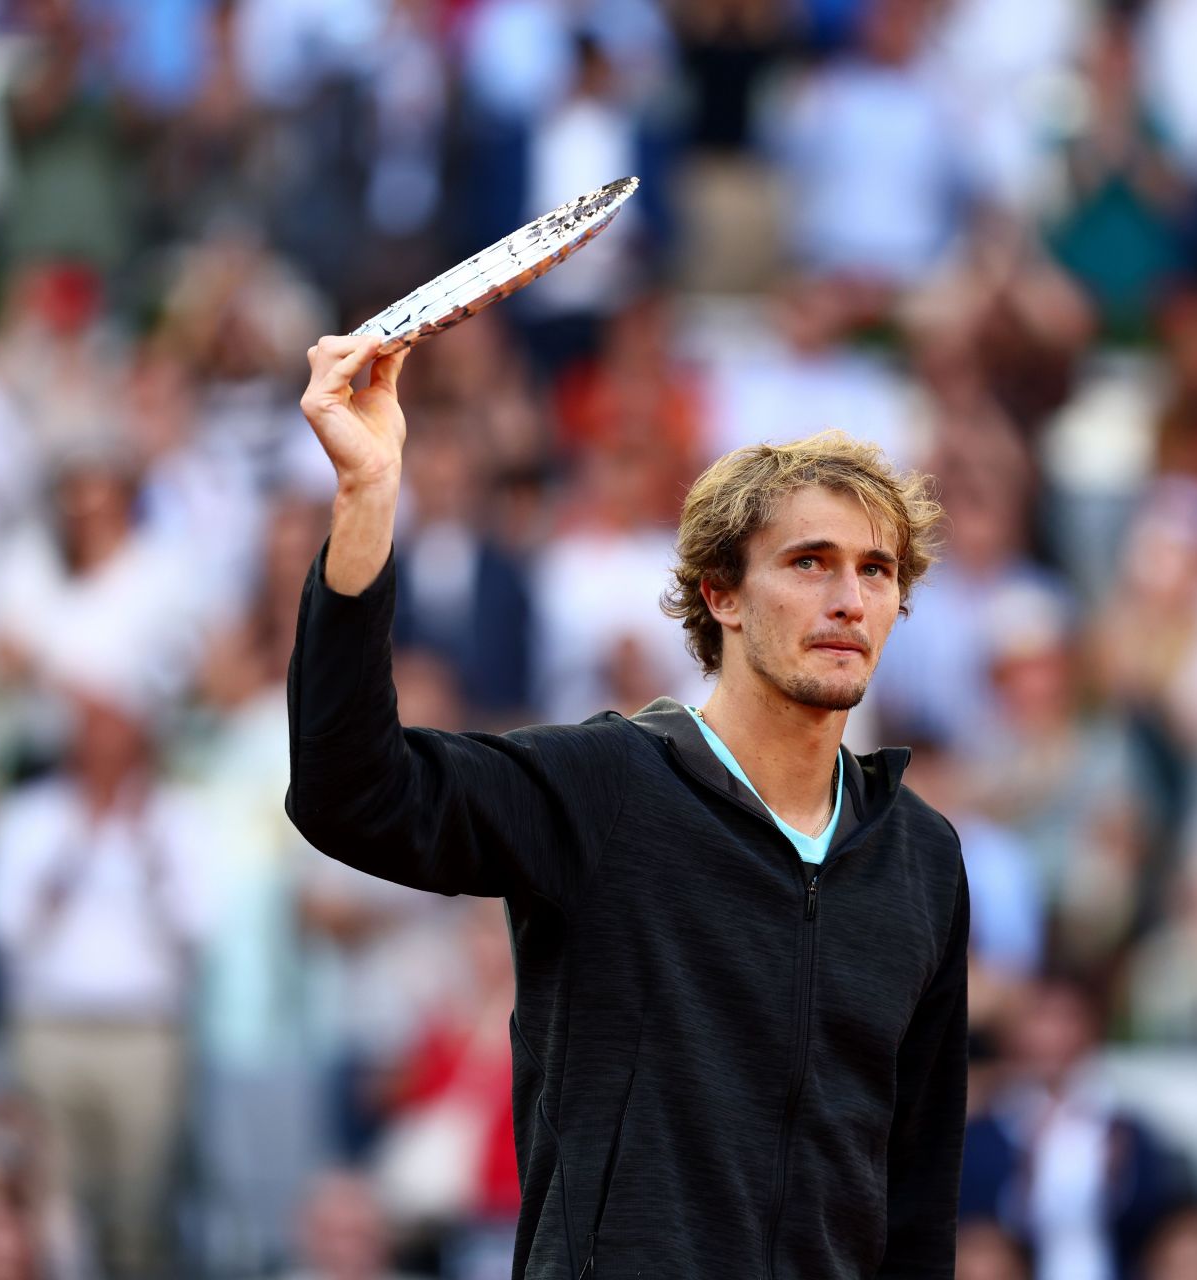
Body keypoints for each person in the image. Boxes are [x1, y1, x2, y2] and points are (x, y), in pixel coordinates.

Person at [287, 334, 969, 1278]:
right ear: (720, 595)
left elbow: (917, 1203)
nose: (849, 599)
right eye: (810, 562)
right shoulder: (605, 786)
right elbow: (352, 796)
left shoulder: (921, 857)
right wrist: (367, 498)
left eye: (878, 569)